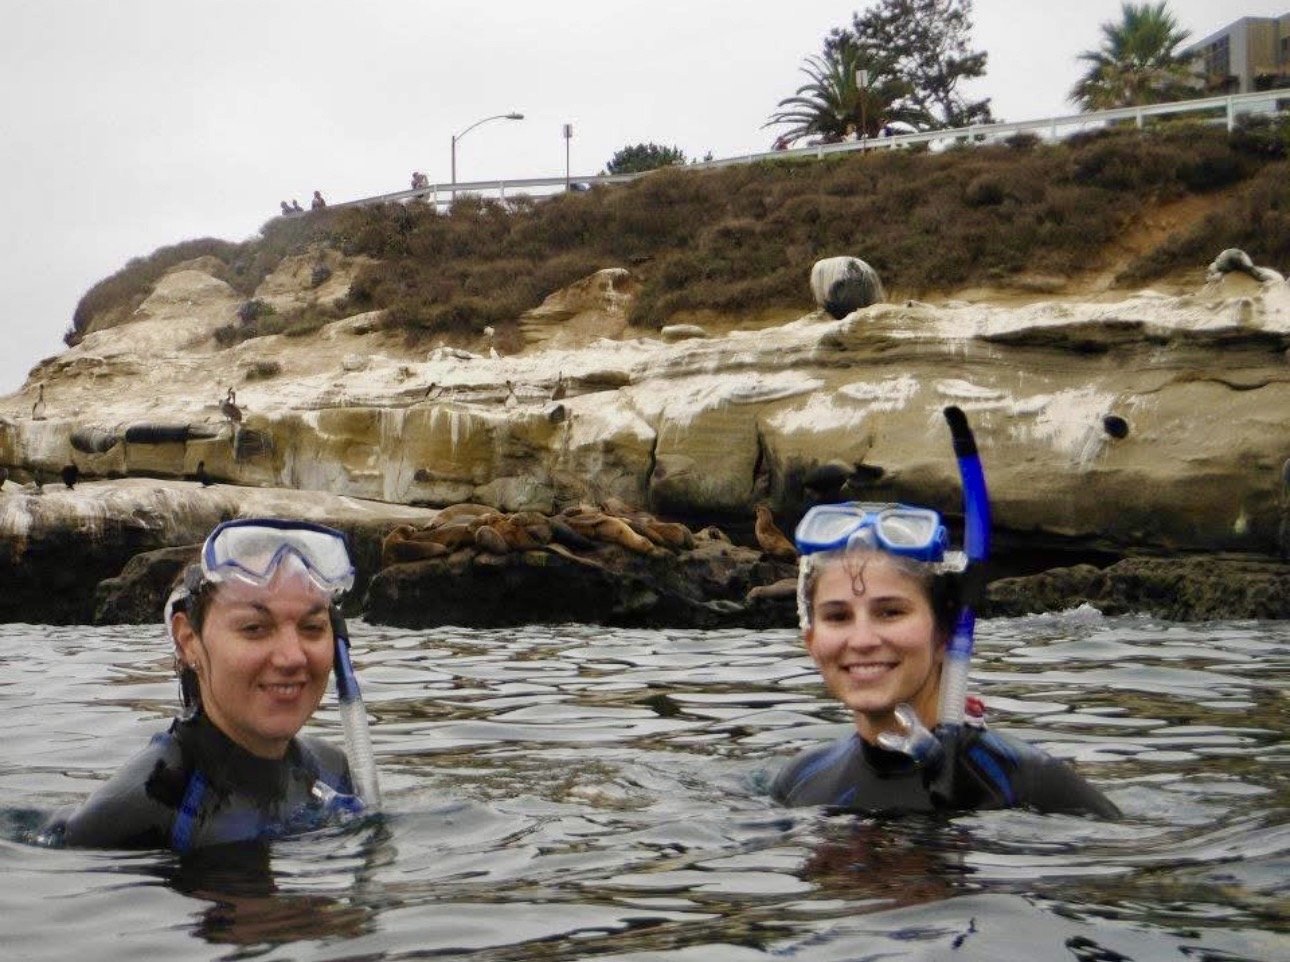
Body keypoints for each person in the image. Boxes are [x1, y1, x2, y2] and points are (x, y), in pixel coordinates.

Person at [771, 417, 1120, 818]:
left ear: (945, 632)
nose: (863, 638)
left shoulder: (1029, 784)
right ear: (811, 641)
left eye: (890, 612)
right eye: (838, 617)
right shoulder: (797, 785)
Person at [40, 519, 378, 851]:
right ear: (188, 640)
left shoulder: (333, 771)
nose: (291, 658)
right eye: (254, 628)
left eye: (312, 627)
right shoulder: (134, 815)